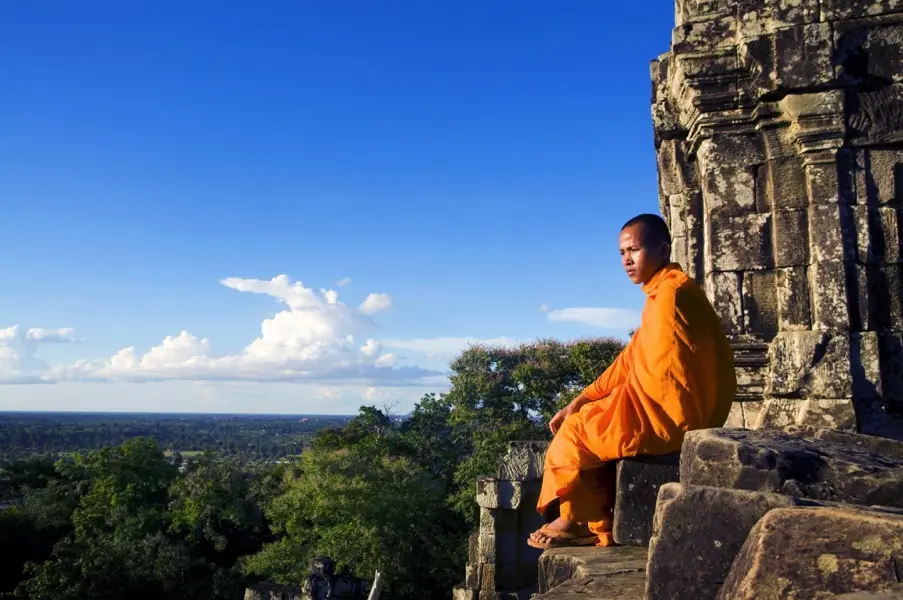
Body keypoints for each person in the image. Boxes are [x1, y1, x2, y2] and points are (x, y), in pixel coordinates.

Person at [527, 213, 736, 549]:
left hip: (672, 417)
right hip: (676, 409)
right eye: (622, 252)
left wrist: (593, 406)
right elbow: (631, 360)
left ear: (663, 250)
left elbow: (662, 376)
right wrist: (582, 399)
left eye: (634, 250)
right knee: (587, 417)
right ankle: (595, 517)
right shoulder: (664, 293)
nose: (626, 259)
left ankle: (576, 522)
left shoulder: (672, 295)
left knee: (574, 432)